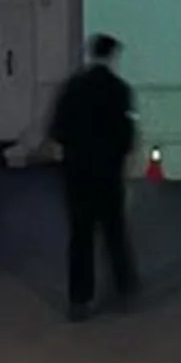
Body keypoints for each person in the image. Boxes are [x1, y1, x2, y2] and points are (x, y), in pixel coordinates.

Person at [50, 32, 139, 321]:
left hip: (77, 172)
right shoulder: (119, 89)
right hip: (108, 172)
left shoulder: (72, 88)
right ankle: (124, 287)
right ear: (112, 55)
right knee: (114, 231)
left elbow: (58, 130)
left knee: (80, 236)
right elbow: (126, 136)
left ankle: (80, 299)